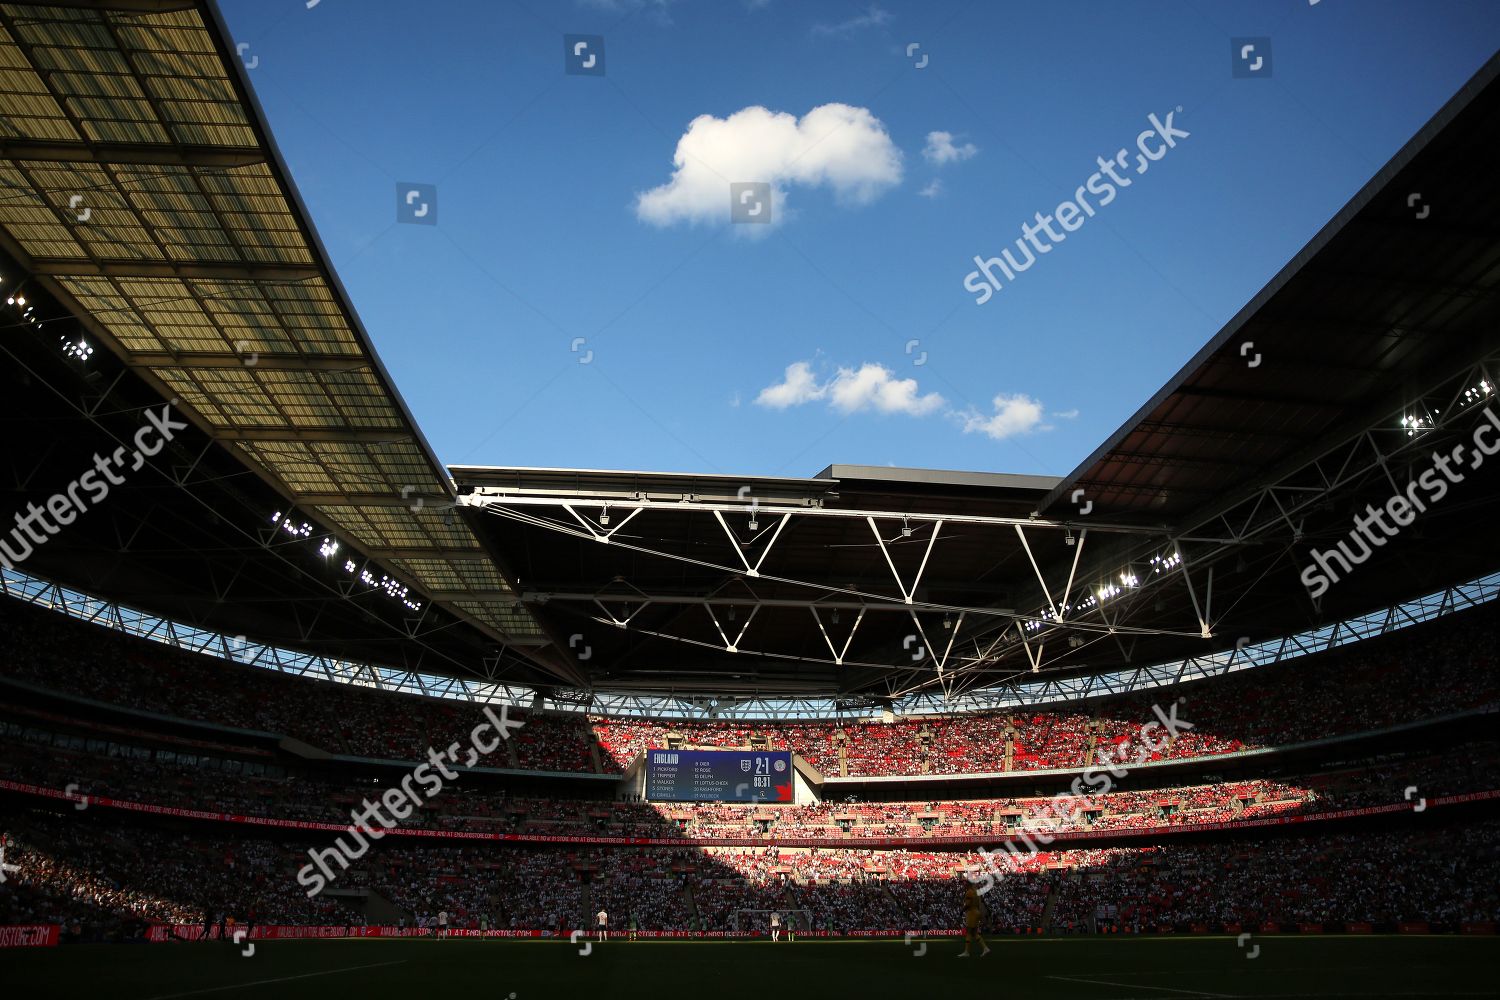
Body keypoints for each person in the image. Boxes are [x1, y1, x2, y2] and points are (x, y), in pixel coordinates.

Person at [958, 883, 990, 958]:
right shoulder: (976, 892)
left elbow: (968, 904)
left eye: (964, 884)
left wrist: (962, 911)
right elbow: (979, 904)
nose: (963, 885)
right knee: (975, 933)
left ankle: (967, 952)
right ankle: (985, 948)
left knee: (969, 932)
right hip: (977, 912)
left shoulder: (969, 892)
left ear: (968, 884)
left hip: (971, 913)